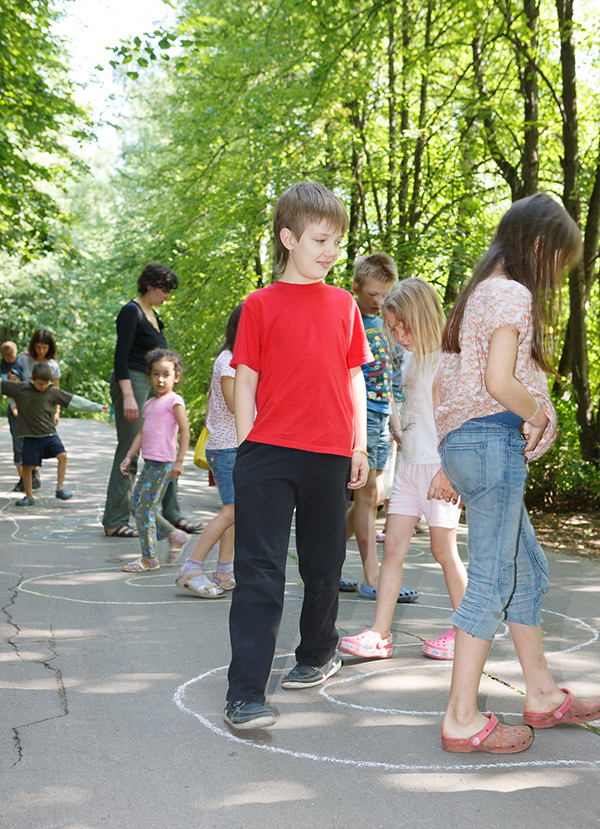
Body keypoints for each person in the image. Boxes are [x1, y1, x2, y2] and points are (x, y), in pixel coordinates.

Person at [428, 193, 600, 754]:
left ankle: (543, 694)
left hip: (467, 444)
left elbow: (442, 386)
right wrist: (540, 411)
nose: (553, 278)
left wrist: (452, 456)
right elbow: (501, 382)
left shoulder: (476, 294)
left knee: (527, 570)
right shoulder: (510, 293)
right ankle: (460, 718)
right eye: (557, 263)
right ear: (538, 245)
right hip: (491, 442)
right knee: (494, 580)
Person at [223, 181, 372, 730]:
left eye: (338, 242)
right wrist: (247, 443)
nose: (332, 253)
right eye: (320, 240)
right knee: (259, 572)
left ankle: (317, 654)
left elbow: (354, 377)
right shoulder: (259, 305)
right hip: (267, 454)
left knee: (323, 565)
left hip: (330, 455)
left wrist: (359, 444)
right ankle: (244, 695)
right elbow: (245, 379)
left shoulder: (345, 304)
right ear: (289, 238)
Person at [339, 278, 467, 661]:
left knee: (444, 551)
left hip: (439, 470)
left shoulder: (448, 359)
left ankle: (466, 631)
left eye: (403, 326)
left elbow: (455, 422)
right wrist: (400, 430)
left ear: (425, 317)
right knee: (393, 548)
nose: (398, 335)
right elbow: (417, 412)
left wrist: (449, 471)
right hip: (412, 468)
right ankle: (380, 633)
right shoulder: (411, 358)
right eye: (392, 328)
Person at [102, 262, 201, 538]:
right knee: (129, 451)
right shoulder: (130, 312)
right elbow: (120, 358)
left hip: (154, 386)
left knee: (166, 450)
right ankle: (115, 519)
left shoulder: (154, 315)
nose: (168, 296)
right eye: (165, 290)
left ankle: (172, 514)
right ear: (150, 286)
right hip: (131, 382)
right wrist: (128, 397)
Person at [341, 253, 418, 604]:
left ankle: (324, 560)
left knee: (369, 497)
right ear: (356, 287)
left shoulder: (386, 323)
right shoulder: (347, 317)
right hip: (357, 416)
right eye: (373, 294)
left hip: (382, 416)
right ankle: (372, 576)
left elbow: (388, 381)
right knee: (368, 496)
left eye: (385, 294)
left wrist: (396, 421)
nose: (379, 300)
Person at [176, 304, 243, 598]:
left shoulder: (234, 361)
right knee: (231, 510)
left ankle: (225, 571)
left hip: (232, 446)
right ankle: (191, 567)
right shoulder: (228, 361)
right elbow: (232, 404)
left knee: (234, 512)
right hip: (227, 448)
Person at [120, 349, 190, 571]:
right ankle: (174, 534)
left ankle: (149, 558)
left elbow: (185, 432)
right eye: (155, 374)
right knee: (135, 506)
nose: (160, 379)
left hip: (163, 464)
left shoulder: (174, 401)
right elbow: (141, 433)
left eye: (166, 374)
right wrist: (129, 456)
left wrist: (179, 462)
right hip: (149, 463)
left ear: (175, 376)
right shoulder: (150, 404)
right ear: (150, 376)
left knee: (145, 510)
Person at [1, 362, 107, 505]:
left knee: (62, 455)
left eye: (46, 383)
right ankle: (29, 496)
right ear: (32, 378)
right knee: (27, 466)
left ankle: (59, 489)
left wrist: (97, 407)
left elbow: (74, 400)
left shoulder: (52, 391)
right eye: (39, 384)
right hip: (30, 436)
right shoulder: (20, 388)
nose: (43, 387)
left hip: (49, 434)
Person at [9, 329, 61, 492]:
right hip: (18, 410)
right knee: (19, 447)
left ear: (50, 347)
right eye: (38, 347)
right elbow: (14, 382)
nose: (41, 351)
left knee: (36, 446)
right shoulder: (24, 359)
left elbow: (57, 392)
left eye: (44, 348)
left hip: (40, 415)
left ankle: (33, 475)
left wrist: (57, 412)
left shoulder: (53, 365)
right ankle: (25, 480)